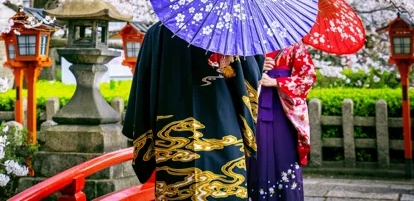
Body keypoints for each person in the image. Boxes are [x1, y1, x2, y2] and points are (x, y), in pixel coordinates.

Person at [123, 22, 273, 200]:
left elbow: (143, 86)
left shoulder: (157, 32)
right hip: (224, 129)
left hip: (172, 135)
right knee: (225, 186)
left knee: (177, 189)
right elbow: (249, 79)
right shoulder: (232, 30)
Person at [246, 41, 317, 201]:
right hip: (254, 107)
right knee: (256, 155)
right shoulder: (247, 41)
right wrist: (255, 65)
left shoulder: (293, 44)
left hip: (283, 111)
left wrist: (278, 82)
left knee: (284, 155)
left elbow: (308, 77)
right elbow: (231, 72)